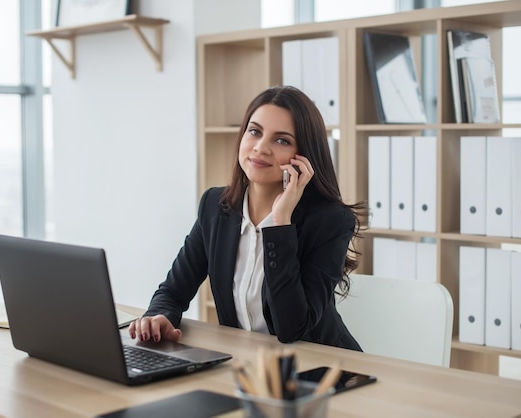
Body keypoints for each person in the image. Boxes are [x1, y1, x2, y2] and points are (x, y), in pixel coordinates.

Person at [129, 85, 368, 351]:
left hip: (321, 371)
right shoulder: (215, 207)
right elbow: (173, 291)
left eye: (281, 140)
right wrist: (160, 316)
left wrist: (281, 222)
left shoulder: (330, 221)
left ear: (303, 157)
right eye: (254, 132)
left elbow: (291, 329)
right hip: (249, 370)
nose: (260, 148)